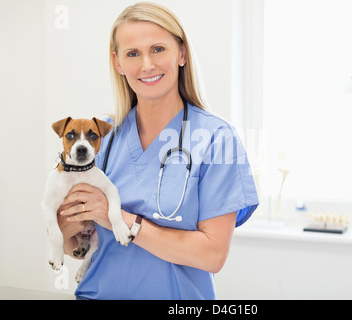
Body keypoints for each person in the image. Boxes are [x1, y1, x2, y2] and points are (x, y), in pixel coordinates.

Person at [57, 2, 259, 299]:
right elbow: (76, 248)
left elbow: (212, 256)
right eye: (133, 53)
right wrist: (66, 226)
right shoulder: (102, 137)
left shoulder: (217, 139)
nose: (147, 65)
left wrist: (119, 218)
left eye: (158, 49)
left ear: (182, 53)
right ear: (118, 63)